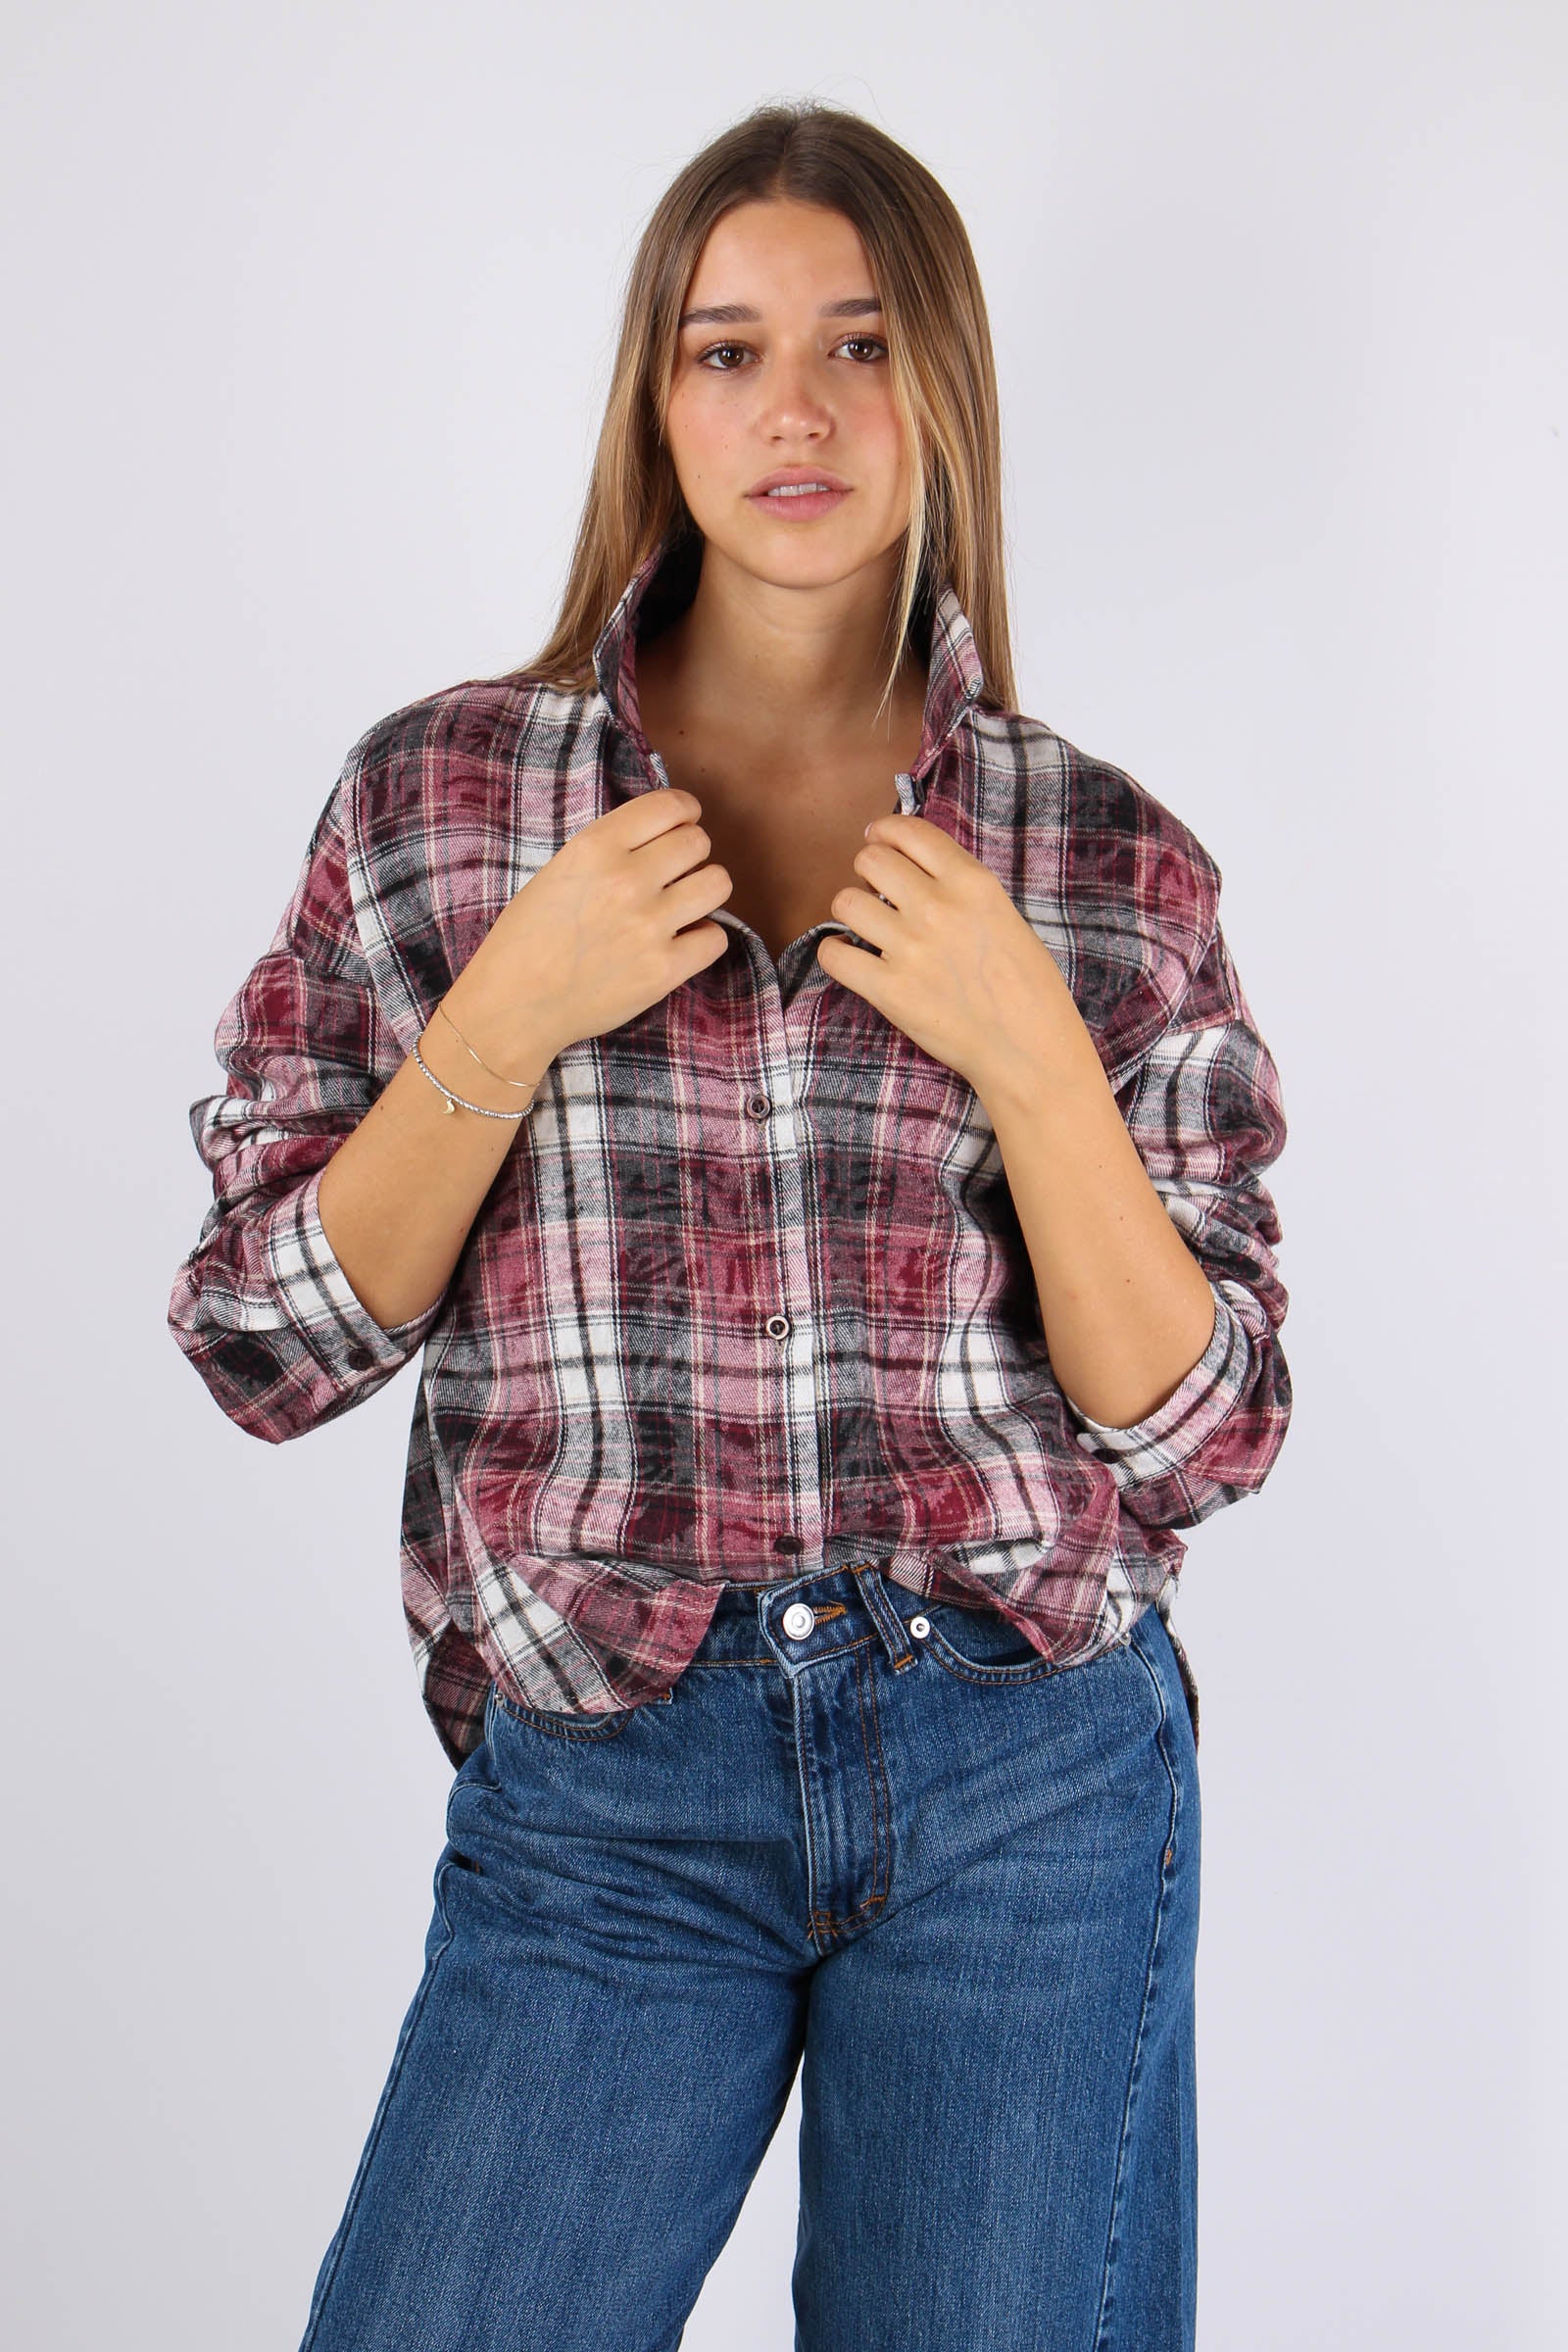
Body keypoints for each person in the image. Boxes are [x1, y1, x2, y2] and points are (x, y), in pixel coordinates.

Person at [168, 98, 1293, 2352]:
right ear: (652, 401)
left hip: (1027, 1773)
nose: (794, 408)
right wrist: (508, 1007)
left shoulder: (1101, 861)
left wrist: (1031, 1057)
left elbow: (1199, 1437)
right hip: (605, 1785)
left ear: (940, 389)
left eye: (859, 345)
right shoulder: (439, 805)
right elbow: (263, 1342)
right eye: (726, 349)